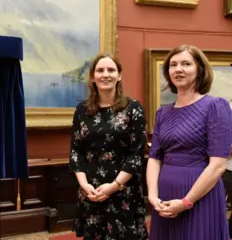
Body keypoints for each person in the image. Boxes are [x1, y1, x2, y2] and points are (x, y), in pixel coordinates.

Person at [146, 44, 232, 240]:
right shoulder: (163, 113)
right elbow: (154, 158)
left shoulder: (215, 106)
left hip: (200, 197)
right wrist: (152, 196)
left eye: (186, 64)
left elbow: (218, 165)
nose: (178, 69)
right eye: (173, 64)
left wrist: (186, 202)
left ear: (200, 69)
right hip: (165, 197)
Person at [69, 53, 149, 239]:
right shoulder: (82, 110)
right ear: (92, 76)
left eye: (111, 70)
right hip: (91, 190)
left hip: (123, 190)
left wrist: (114, 186)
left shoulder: (133, 108)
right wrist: (84, 185)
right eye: (100, 70)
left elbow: (136, 154)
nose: (105, 74)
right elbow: (76, 151)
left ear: (119, 75)